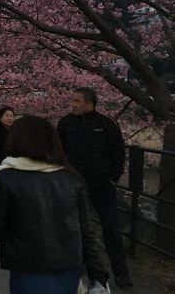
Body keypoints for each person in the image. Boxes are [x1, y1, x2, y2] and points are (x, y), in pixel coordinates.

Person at [0, 115, 109, 294]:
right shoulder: (71, 177)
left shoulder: (7, 176)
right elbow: (86, 231)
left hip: (28, 267)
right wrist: (97, 275)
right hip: (68, 267)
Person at [58, 87, 132, 288]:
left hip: (101, 185)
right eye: (72, 100)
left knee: (111, 228)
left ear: (90, 103)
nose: (72, 104)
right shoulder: (65, 124)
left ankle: (121, 272)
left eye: (77, 101)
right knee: (72, 226)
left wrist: (112, 178)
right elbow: (59, 150)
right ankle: (78, 269)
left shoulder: (106, 124)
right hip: (73, 184)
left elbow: (118, 152)